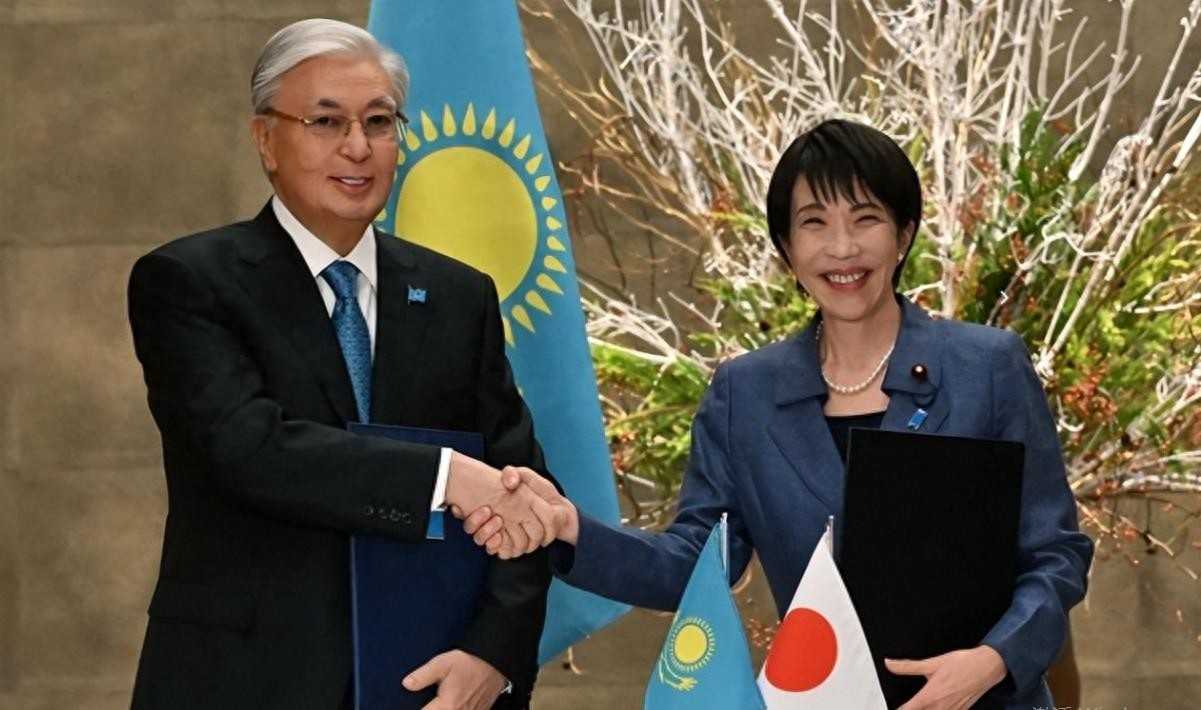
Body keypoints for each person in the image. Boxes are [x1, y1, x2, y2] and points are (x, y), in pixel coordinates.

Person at [463, 119, 1094, 709]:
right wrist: (571, 526)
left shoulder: (987, 367)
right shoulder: (745, 394)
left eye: (866, 219)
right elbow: (693, 563)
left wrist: (992, 661)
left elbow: (1056, 552)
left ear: (903, 235)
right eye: (814, 223)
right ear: (788, 248)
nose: (842, 247)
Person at [127, 19, 559, 710]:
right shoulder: (189, 281)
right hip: (241, 681)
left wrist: (492, 654)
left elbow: (521, 490)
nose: (357, 147)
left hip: (426, 682)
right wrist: (446, 477)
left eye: (379, 122)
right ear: (265, 139)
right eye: (325, 121)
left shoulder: (459, 295)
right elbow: (250, 449)